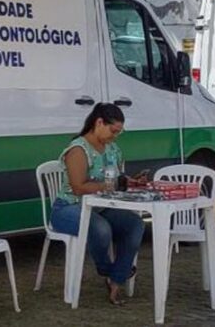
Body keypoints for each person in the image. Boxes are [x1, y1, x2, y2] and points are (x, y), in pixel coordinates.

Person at [50, 102, 146, 305]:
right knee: (101, 229)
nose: (115, 136)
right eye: (113, 131)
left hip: (100, 207)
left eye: (119, 132)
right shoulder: (78, 149)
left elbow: (117, 177)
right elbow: (78, 187)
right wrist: (110, 185)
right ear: (99, 122)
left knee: (135, 224)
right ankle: (111, 271)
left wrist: (130, 181)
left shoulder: (112, 149)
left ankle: (115, 279)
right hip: (69, 207)